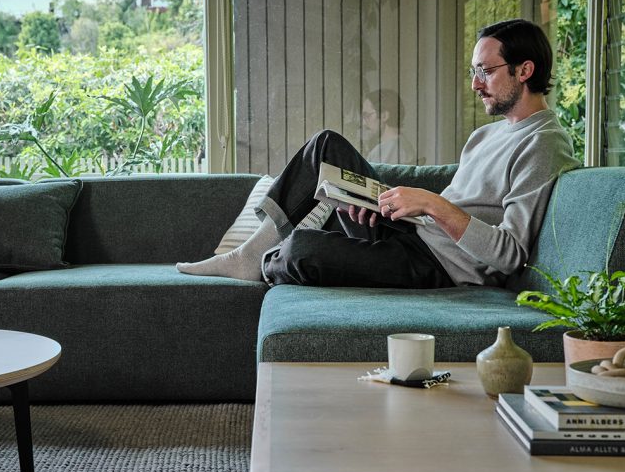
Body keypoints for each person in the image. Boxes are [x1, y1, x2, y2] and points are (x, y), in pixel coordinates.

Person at [177, 18, 580, 288]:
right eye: (473, 72)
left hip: (436, 267)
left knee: (301, 249)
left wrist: (431, 204)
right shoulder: (484, 136)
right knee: (325, 146)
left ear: (524, 71)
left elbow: (509, 256)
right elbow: (447, 214)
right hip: (410, 235)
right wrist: (384, 209)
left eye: (485, 71)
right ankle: (251, 255)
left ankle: (265, 259)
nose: (476, 85)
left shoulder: (543, 142)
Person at [362, 89, 417, 165]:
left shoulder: (386, 150)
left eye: (367, 115)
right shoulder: (402, 144)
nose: (364, 123)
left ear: (384, 116)